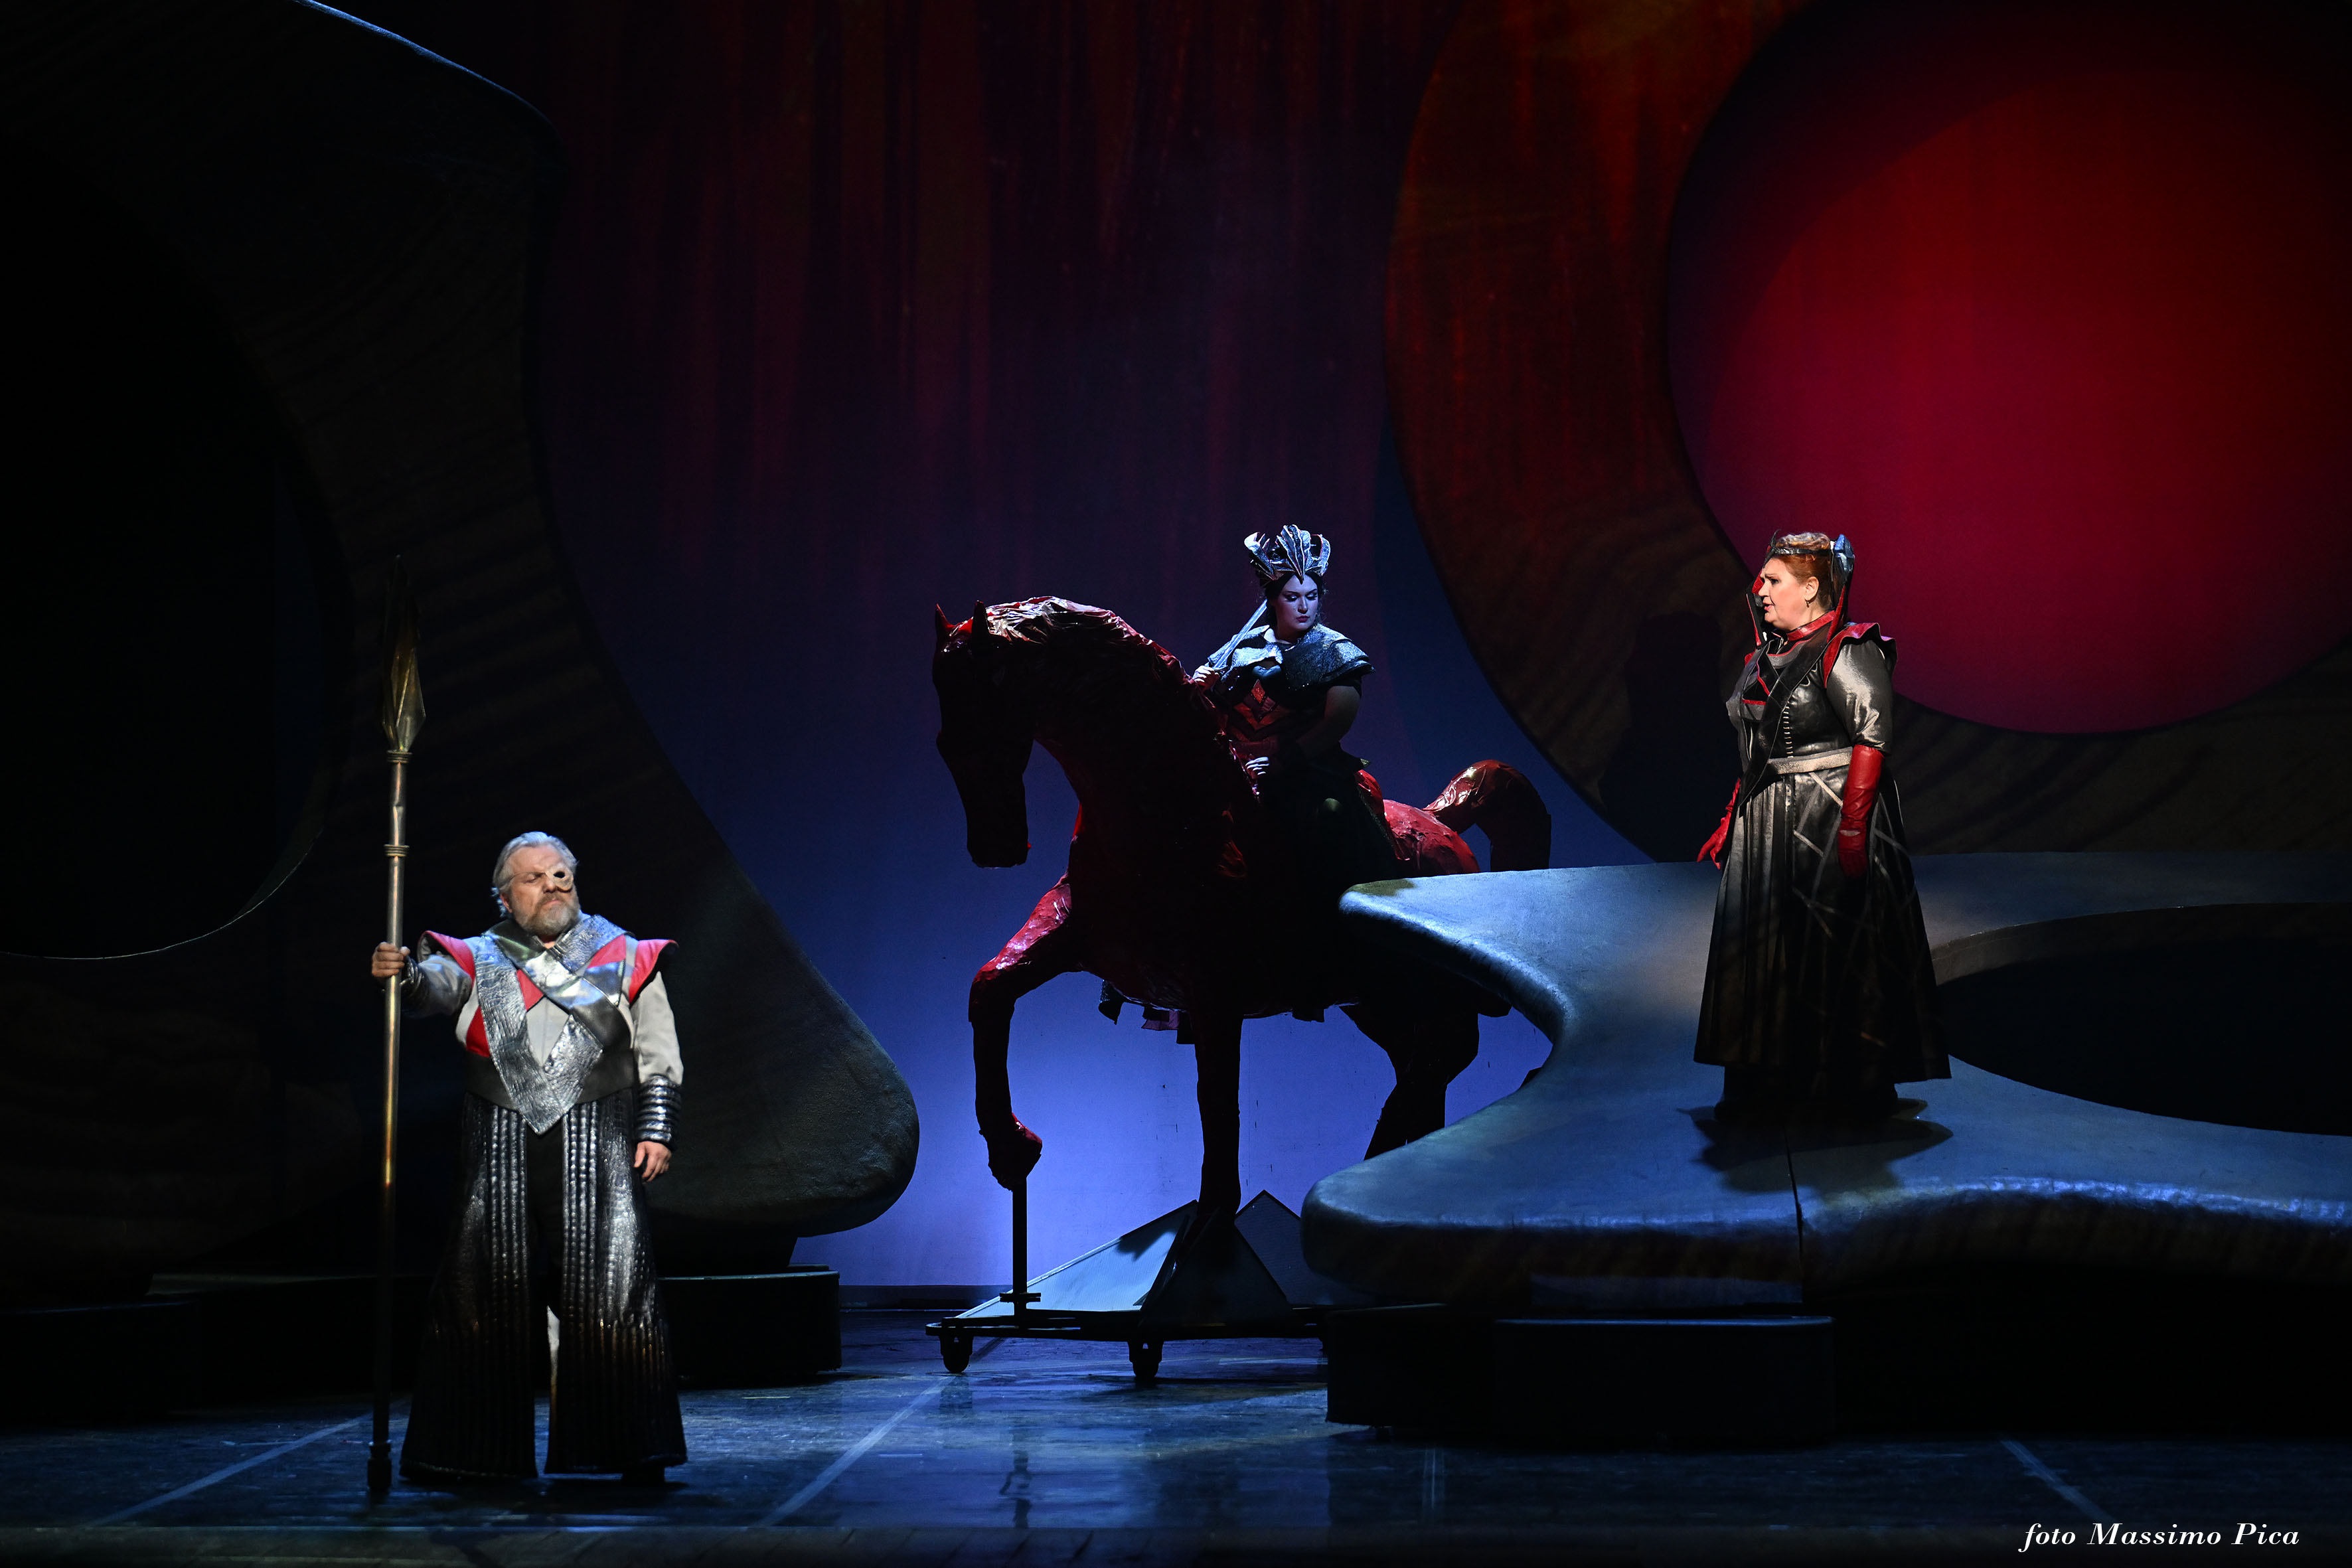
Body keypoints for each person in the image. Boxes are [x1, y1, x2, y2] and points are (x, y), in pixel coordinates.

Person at [369, 831, 686, 1483]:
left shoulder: (626, 955)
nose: (552, 886)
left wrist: (656, 1129)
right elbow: (432, 990)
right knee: (479, 1288)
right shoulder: (478, 956)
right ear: (505, 896)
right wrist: (403, 976)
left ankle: (625, 1446)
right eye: (535, 877)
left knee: (613, 1288)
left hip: (600, 1135)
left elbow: (658, 1050)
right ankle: (470, 1450)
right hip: (497, 1137)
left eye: (561, 874)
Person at [1692, 533, 1946, 1123]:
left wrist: (1853, 828)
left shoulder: (1848, 649)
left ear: (1810, 589)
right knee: (1762, 947)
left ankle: (1851, 1086)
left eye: (1773, 580)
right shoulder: (1762, 659)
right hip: (1766, 822)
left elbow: (1870, 738)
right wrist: (1732, 818)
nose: (1759, 590)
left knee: (1835, 947)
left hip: (1825, 814)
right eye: (1762, 579)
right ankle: (1761, 1079)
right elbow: (1755, 754)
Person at [1192, 526, 1400, 1014]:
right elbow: (1214, 714)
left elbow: (1336, 723)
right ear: (1273, 599)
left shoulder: (1335, 652)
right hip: (1235, 769)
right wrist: (1199, 690)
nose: (1304, 606)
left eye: (1311, 596)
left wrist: (1283, 760)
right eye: (1292, 597)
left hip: (1306, 772)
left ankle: (1329, 951)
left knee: (1328, 817)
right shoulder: (1240, 649)